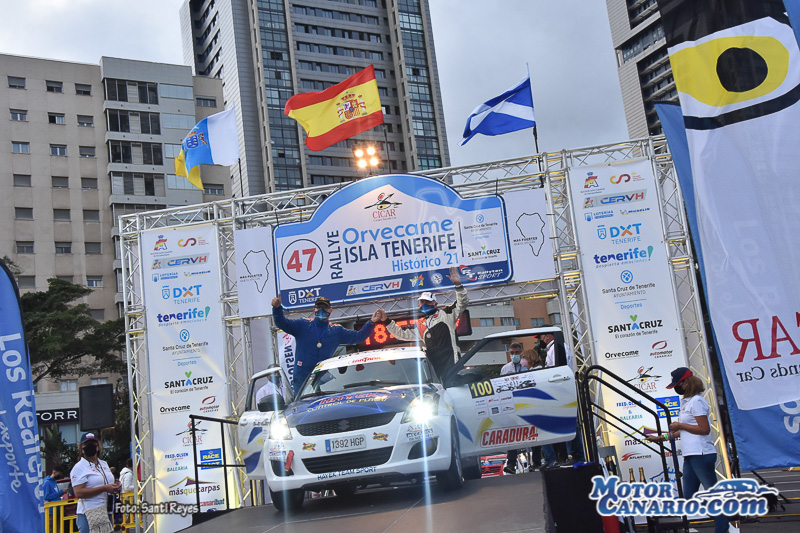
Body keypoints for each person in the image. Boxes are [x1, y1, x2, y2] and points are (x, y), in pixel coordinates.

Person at [647, 367, 728, 533]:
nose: (677, 388)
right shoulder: (688, 402)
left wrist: (681, 425)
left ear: (686, 383)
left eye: (678, 384)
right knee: (689, 497)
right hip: (692, 455)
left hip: (701, 453)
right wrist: (661, 438)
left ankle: (723, 525)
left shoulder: (697, 402)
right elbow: (684, 430)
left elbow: (704, 429)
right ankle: (723, 518)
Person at [272, 295, 382, 394]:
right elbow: (282, 323)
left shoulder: (336, 331)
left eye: (325, 308)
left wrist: (371, 323)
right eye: (319, 308)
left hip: (322, 379)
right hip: (301, 379)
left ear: (330, 310)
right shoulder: (303, 325)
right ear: (314, 310)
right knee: (303, 406)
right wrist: (277, 309)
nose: (322, 310)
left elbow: (359, 337)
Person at [385, 266, 468, 377]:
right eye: (422, 302)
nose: (424, 304)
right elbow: (401, 334)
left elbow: (462, 303)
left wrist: (458, 286)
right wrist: (386, 321)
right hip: (434, 371)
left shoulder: (446, 313)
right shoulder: (420, 324)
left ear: (435, 304)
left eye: (428, 302)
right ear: (418, 305)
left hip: (452, 365)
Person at [540, 329, 582, 468]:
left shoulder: (557, 348)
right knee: (565, 423)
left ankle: (576, 455)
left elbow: (556, 370)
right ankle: (571, 455)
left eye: (542, 336)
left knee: (568, 422)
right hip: (561, 387)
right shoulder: (554, 349)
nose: (541, 340)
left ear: (548, 336)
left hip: (562, 388)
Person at [71, 432, 120, 533]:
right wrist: (104, 488)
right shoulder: (79, 467)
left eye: (93, 444)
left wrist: (116, 486)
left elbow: (106, 482)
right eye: (86, 444)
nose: (90, 446)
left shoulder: (104, 464)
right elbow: (78, 493)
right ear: (82, 448)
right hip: (89, 514)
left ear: (98, 447)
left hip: (106, 511)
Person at [501, 343, 527, 474]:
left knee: (532, 430)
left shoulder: (526, 366)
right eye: (512, 353)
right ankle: (511, 463)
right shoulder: (505, 369)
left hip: (526, 402)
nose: (514, 355)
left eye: (516, 352)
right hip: (511, 404)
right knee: (512, 433)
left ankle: (537, 460)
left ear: (521, 352)